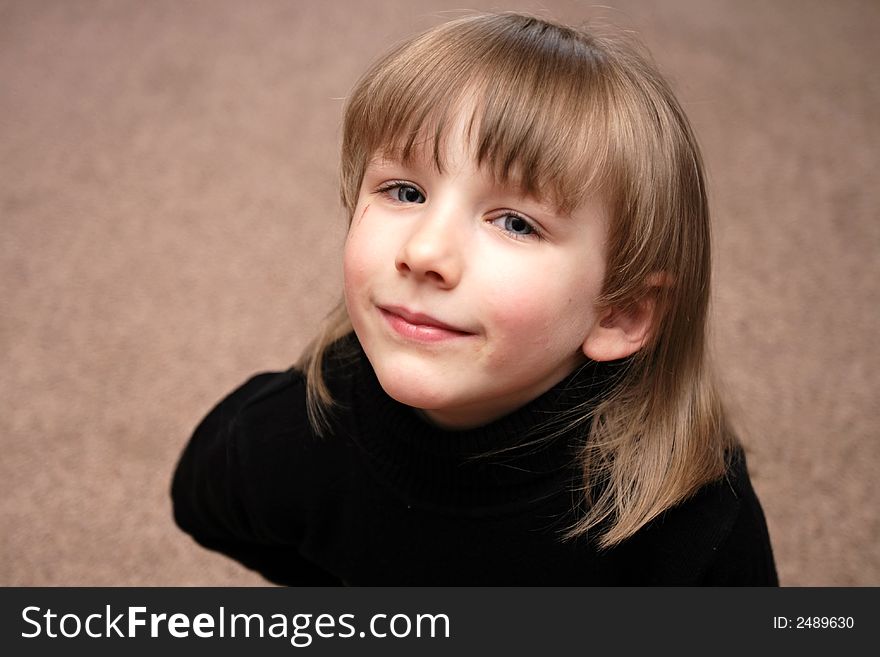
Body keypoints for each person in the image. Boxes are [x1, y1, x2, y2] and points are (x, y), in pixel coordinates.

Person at [171, 12, 778, 585]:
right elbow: (204, 504)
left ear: (621, 312)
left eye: (515, 222)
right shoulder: (293, 434)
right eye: (405, 191)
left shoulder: (691, 517)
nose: (426, 250)